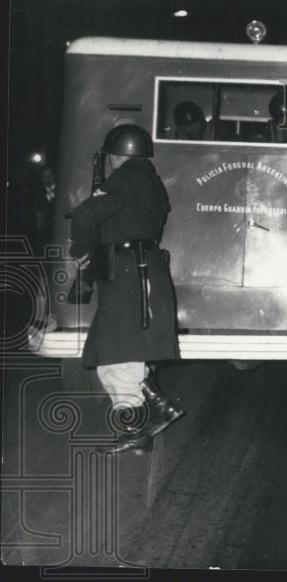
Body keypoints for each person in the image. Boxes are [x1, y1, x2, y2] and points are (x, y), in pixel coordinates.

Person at [69, 124, 184, 454]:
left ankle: (135, 429)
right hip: (140, 269)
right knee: (122, 348)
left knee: (119, 353)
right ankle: (158, 408)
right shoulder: (149, 179)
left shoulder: (128, 176)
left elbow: (85, 215)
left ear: (118, 155)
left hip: (129, 272)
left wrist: (80, 251)